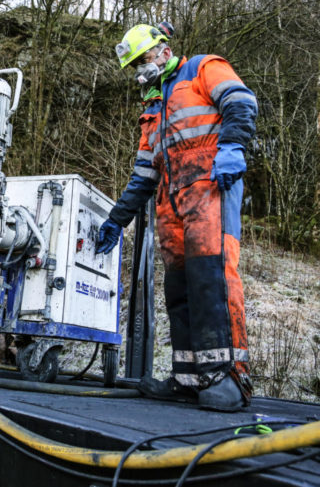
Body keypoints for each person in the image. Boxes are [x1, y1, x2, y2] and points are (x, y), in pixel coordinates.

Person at [97, 23, 258, 412]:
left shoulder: (203, 68)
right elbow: (143, 175)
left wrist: (233, 147)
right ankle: (190, 378)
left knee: (212, 281)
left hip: (210, 186)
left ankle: (231, 377)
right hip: (171, 203)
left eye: (143, 59)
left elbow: (240, 102)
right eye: (134, 65)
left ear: (164, 51)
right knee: (180, 289)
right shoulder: (152, 108)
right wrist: (118, 218)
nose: (140, 69)